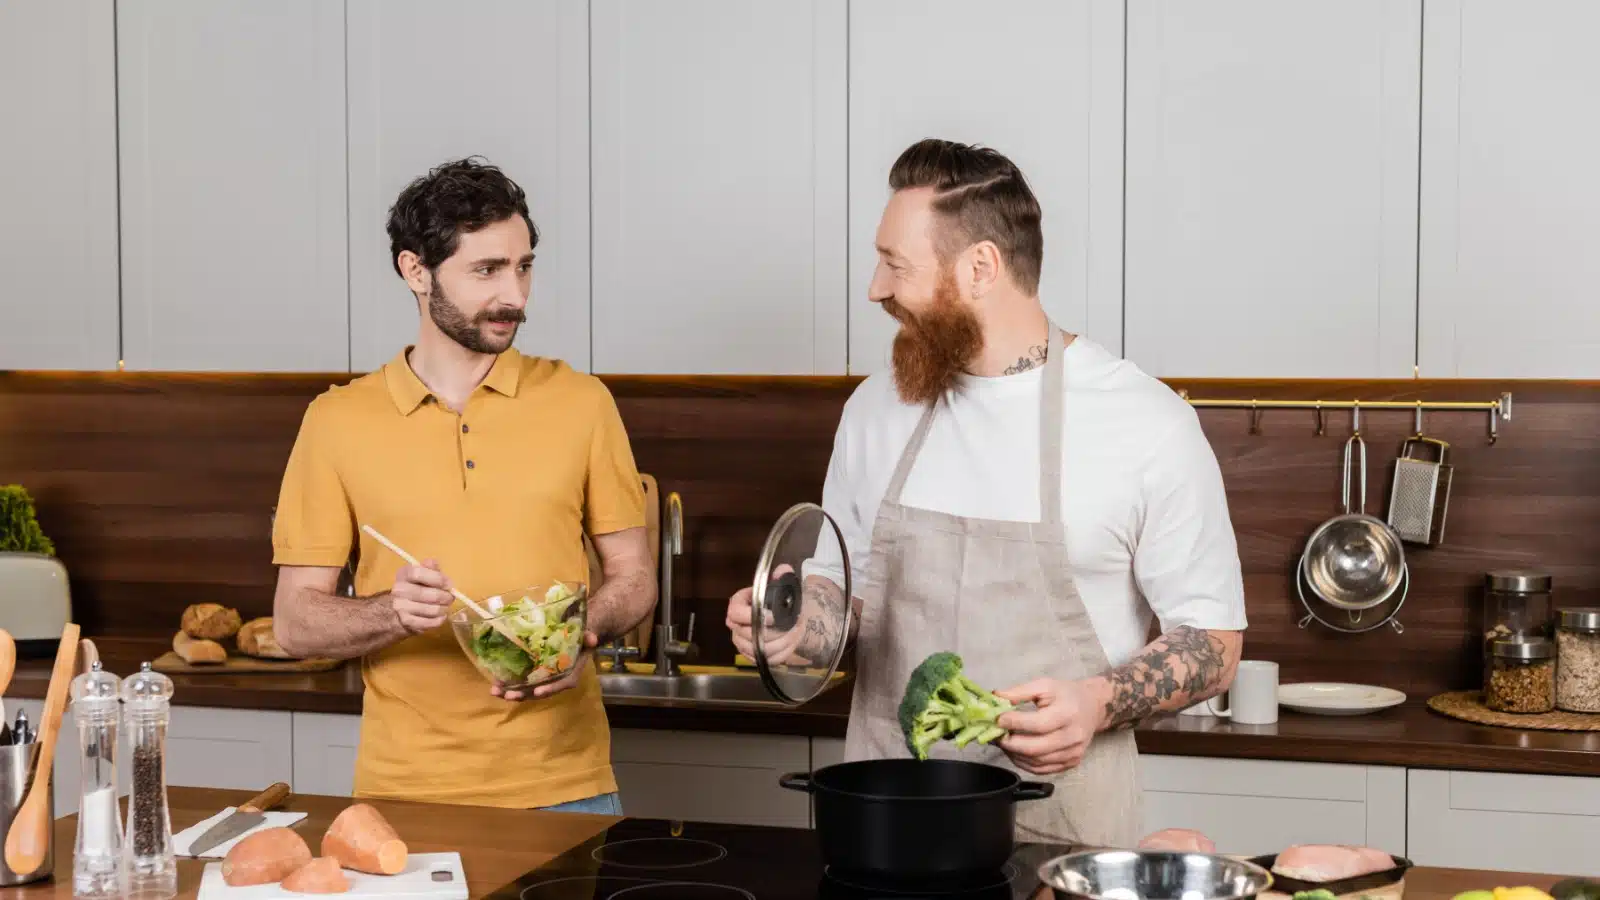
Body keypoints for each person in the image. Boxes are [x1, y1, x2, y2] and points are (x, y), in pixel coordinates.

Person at [725, 138, 1247, 847]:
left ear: (980, 268)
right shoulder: (875, 409)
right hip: (886, 822)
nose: (875, 289)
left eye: (896, 265)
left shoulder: (1146, 423)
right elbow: (840, 593)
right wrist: (792, 630)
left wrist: (1097, 702)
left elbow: (1213, 641)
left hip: (1063, 829)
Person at [270, 157, 656, 814]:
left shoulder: (582, 402)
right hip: (407, 794)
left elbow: (636, 577)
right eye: (487, 270)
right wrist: (392, 612)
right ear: (415, 270)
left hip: (569, 788)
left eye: (524, 267)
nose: (516, 296)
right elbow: (293, 623)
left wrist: (567, 636)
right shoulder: (335, 421)